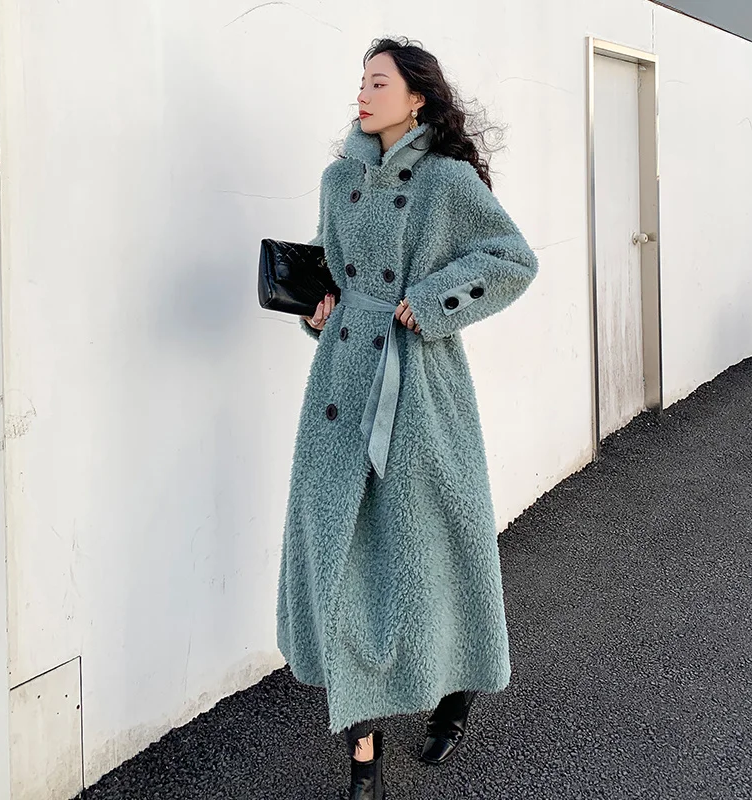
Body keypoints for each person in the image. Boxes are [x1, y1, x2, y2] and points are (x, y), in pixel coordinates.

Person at [275, 35, 539, 799]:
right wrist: (319, 310)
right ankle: (364, 757)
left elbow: (512, 259)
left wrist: (432, 302)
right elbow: (332, 269)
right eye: (360, 81)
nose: (362, 93)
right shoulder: (338, 179)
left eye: (378, 81)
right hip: (339, 388)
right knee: (339, 559)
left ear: (416, 98)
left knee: (435, 543)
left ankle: (458, 683)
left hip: (419, 386)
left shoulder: (448, 181)